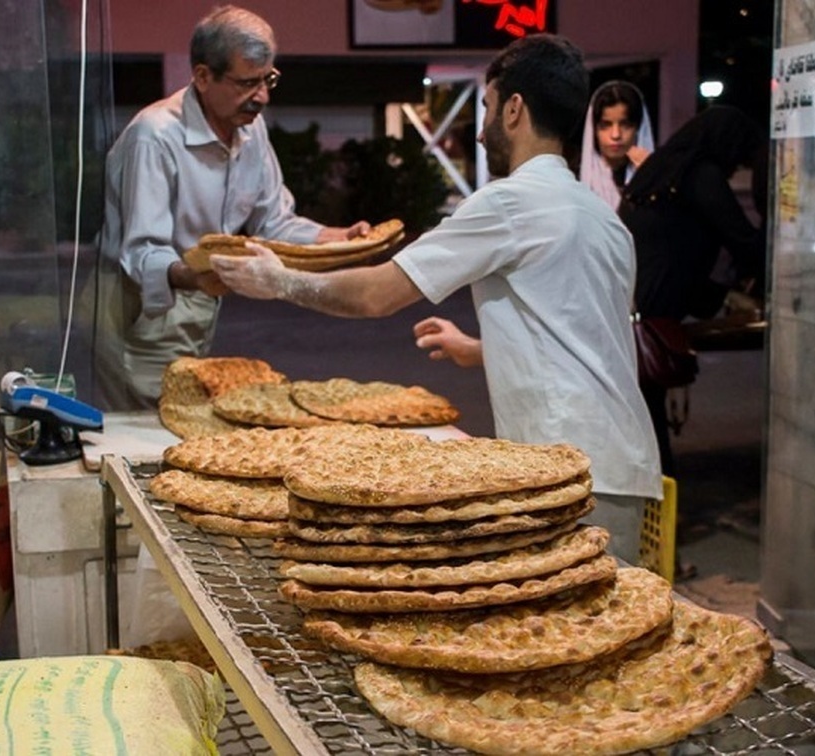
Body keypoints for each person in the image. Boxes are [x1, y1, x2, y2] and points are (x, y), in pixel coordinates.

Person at [210, 33, 662, 563]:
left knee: (561, 633)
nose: (480, 132)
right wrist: (479, 347)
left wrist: (280, 280)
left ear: (515, 109)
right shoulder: (601, 217)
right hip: (623, 466)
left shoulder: (511, 202)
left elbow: (378, 294)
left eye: (488, 109)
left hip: (566, 469)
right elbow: (584, 332)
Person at [94, 5, 368, 409]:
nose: (262, 97)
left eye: (268, 79)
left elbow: (272, 220)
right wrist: (197, 276)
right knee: (152, 428)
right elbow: (142, 251)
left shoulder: (249, 128)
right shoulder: (155, 137)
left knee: (186, 419)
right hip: (142, 304)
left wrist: (337, 238)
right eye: (247, 83)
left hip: (199, 293)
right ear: (203, 77)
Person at [617, 106, 766, 475]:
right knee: (650, 419)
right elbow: (743, 240)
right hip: (652, 312)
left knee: (641, 416)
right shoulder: (701, 175)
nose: (736, 167)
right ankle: (656, 503)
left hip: (628, 302)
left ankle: (651, 500)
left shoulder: (656, 171)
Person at [579, 80, 654, 210]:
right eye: (605, 125)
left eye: (625, 125)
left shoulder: (659, 179)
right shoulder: (574, 180)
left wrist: (649, 177)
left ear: (638, 128)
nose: (615, 135)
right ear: (593, 130)